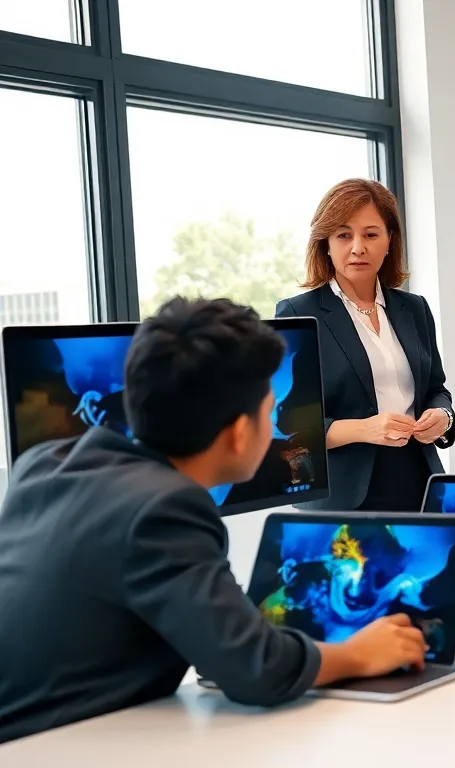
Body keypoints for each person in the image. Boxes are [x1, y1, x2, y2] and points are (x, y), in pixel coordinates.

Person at [0, 298, 429, 745]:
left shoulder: (43, 463)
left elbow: (210, 636)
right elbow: (256, 669)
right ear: (240, 433)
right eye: (270, 411)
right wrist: (358, 655)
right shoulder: (163, 509)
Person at [276, 178, 455, 511]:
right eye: (344, 235)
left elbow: (436, 389)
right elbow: (290, 428)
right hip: (343, 494)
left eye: (371, 234)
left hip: (421, 482)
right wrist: (366, 429)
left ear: (389, 241)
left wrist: (443, 417)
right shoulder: (297, 314)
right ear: (325, 244)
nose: (358, 247)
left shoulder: (414, 308)